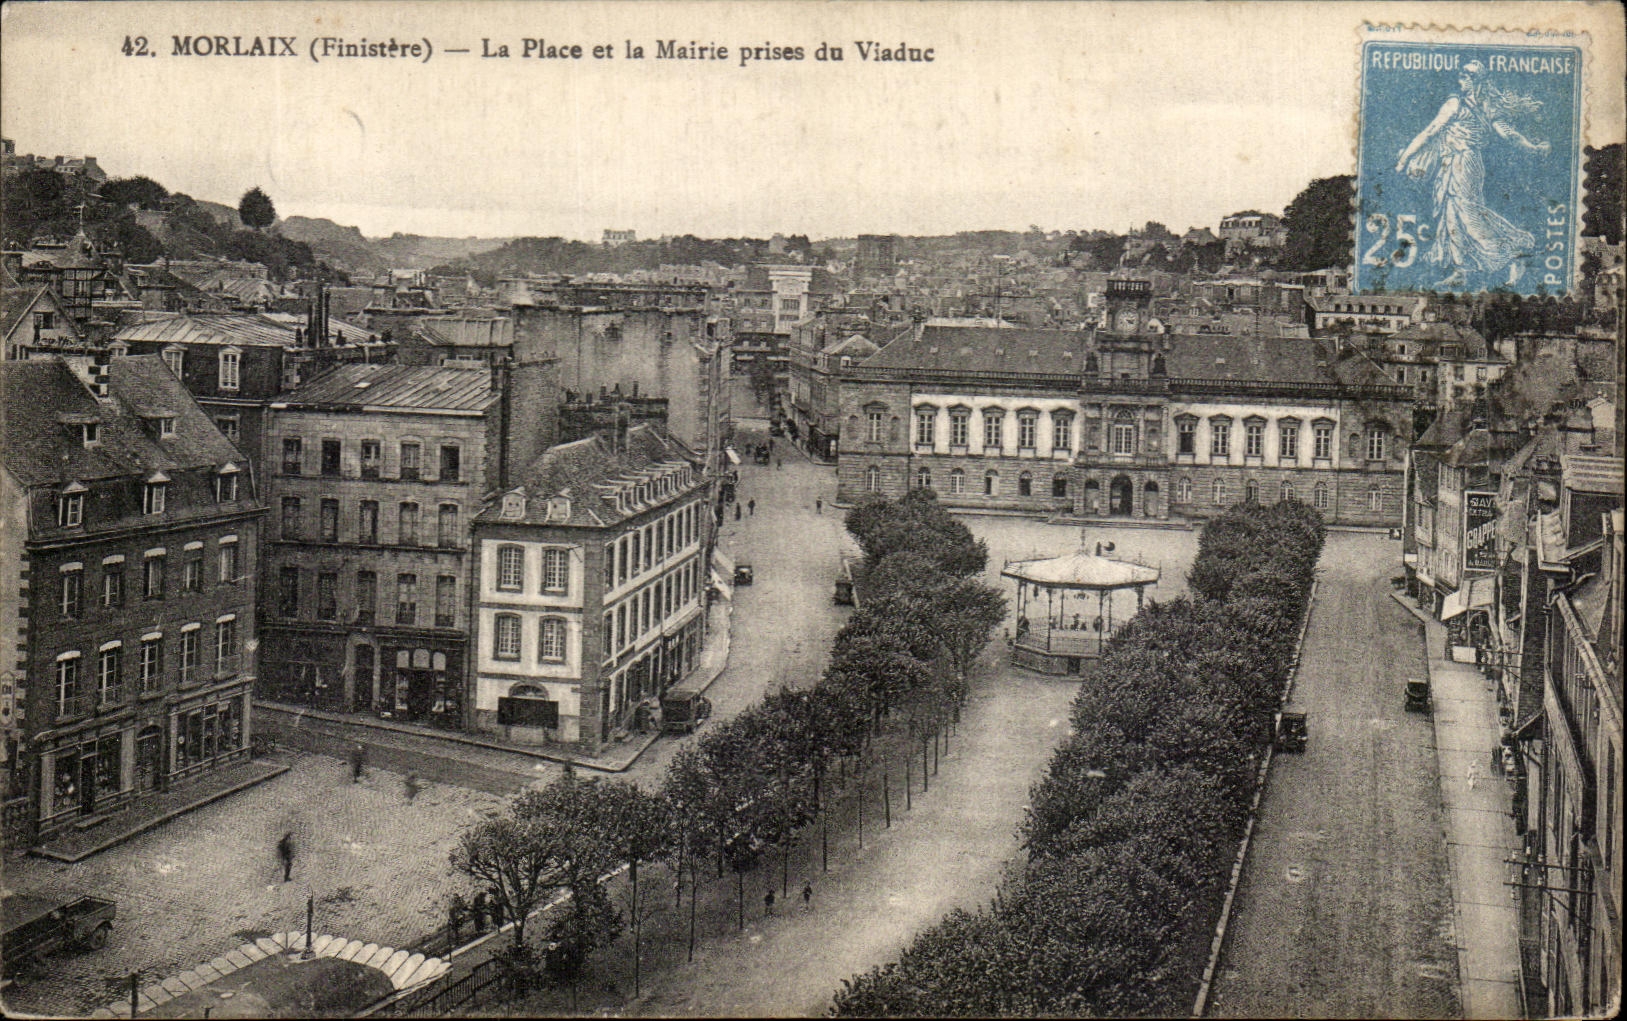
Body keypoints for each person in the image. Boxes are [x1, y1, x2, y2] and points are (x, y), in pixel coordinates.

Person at [1395, 60, 1550, 289]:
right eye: (1462, 73)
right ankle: (1462, 270)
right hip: (1459, 163)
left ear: (1476, 80)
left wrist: (1404, 158)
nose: (1461, 76)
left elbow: (1430, 132)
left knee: (1468, 214)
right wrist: (1533, 148)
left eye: (1467, 74)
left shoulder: (1457, 104)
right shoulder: (1484, 106)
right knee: (1452, 214)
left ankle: (1515, 252)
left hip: (1462, 163)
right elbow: (1509, 134)